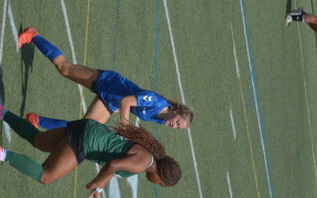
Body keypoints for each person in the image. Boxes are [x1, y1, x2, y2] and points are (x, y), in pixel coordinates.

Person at [0, 101, 182, 198]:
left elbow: (114, 167)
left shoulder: (146, 157)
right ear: (162, 176)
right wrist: (96, 183)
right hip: (87, 141)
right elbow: (113, 165)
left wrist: (99, 188)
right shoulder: (143, 163)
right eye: (160, 183)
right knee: (46, 176)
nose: (156, 184)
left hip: (88, 128)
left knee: (39, 140)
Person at [17, 27, 193, 130]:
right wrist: (126, 126)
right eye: (178, 122)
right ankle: (33, 35)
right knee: (65, 69)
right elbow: (126, 102)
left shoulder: (161, 119)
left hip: (111, 101)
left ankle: (36, 120)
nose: (174, 126)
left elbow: (130, 106)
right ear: (177, 112)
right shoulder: (156, 101)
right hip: (109, 83)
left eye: (178, 127)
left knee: (83, 130)